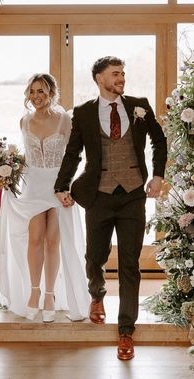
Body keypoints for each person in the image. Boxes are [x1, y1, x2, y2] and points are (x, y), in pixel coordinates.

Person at [54, 56, 167, 359]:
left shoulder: (139, 104)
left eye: (123, 74)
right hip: (99, 196)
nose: (121, 78)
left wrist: (157, 176)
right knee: (95, 256)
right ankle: (97, 294)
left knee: (130, 264)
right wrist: (62, 185)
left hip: (133, 195)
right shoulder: (85, 112)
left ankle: (126, 331)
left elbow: (159, 140)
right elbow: (73, 152)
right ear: (99, 78)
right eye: (115, 74)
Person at [0, 73, 90, 322]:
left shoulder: (65, 120)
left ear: (51, 93)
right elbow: (24, 157)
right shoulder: (24, 122)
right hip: (32, 187)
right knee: (35, 239)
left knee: (53, 241)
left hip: (59, 186)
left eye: (41, 91)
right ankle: (34, 291)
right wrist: (5, 173)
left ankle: (50, 295)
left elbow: (73, 156)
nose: (36, 96)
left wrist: (70, 187)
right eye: (32, 91)